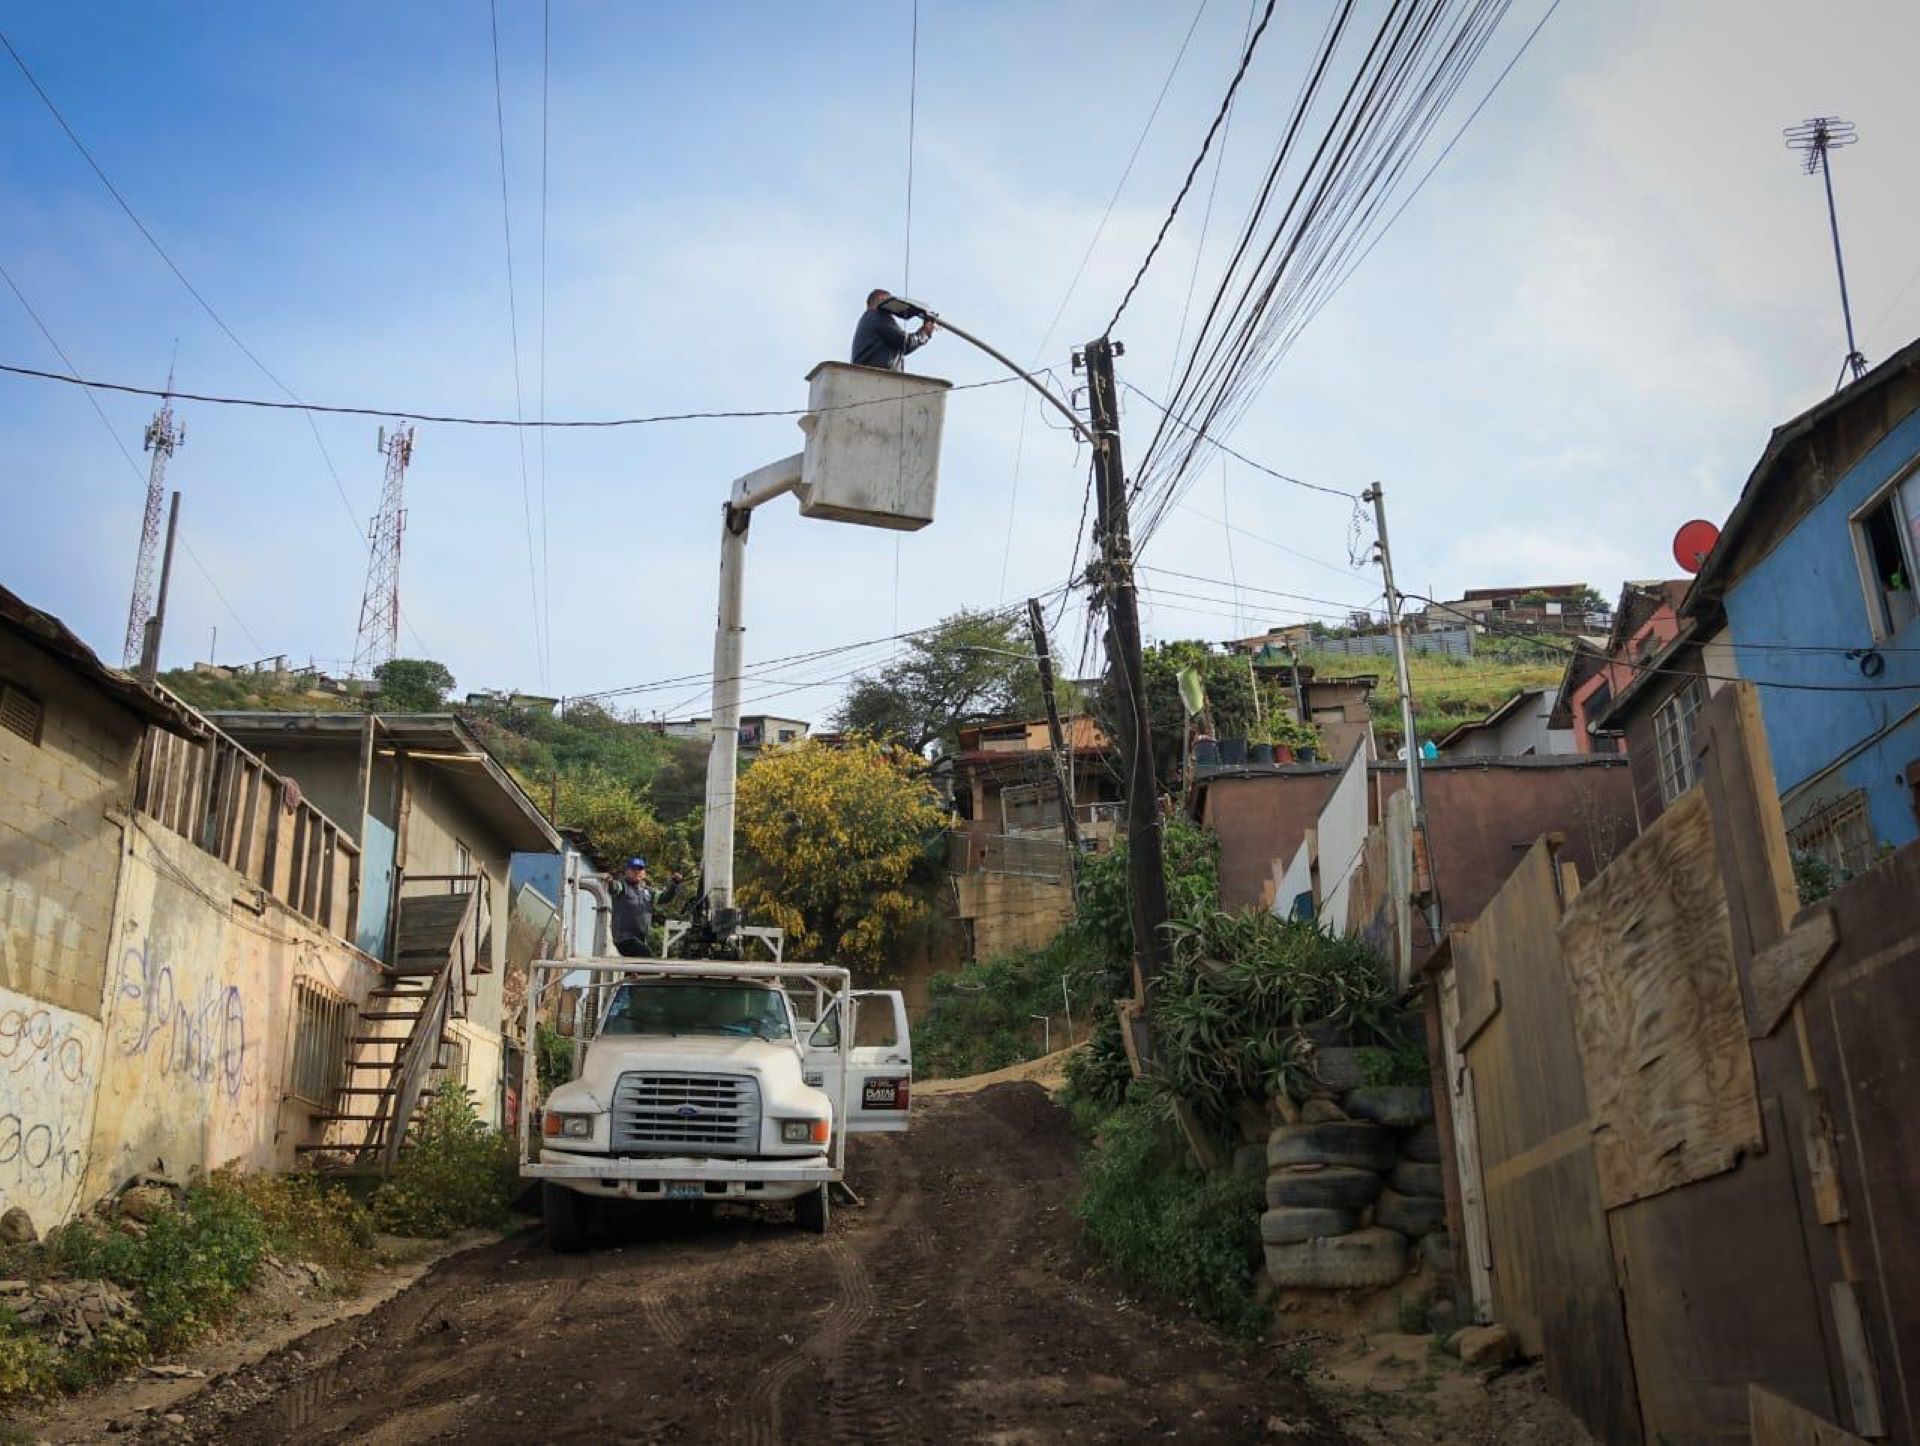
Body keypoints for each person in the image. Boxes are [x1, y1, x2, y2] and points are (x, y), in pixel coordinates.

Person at [609, 857, 682, 958]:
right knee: (645, 955)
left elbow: (664, 898)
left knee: (639, 960)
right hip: (624, 939)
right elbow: (614, 888)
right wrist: (610, 883)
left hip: (641, 940)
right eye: (633, 869)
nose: (637, 872)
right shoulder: (622, 886)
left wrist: (674, 884)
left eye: (640, 869)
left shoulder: (648, 891)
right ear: (626, 871)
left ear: (644, 873)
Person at [851, 289, 936, 371]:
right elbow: (905, 343)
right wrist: (925, 333)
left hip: (866, 373)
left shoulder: (867, 319)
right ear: (881, 300)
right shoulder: (878, 316)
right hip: (878, 375)